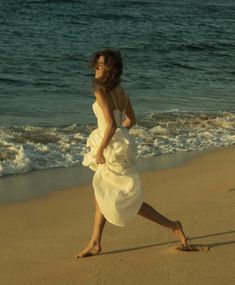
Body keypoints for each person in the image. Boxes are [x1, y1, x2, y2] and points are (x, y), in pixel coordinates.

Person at [75, 49, 188, 258]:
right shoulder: (121, 91)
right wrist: (121, 135)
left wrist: (101, 149)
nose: (97, 69)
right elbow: (131, 120)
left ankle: (172, 225)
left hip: (110, 147)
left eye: (101, 65)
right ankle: (95, 242)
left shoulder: (101, 91)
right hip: (119, 145)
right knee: (103, 193)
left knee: (125, 199)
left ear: (111, 69)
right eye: (96, 65)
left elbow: (109, 125)